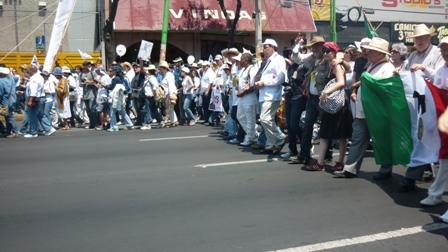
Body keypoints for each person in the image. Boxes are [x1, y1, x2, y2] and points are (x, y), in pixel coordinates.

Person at [334, 37, 395, 178]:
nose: (368, 53)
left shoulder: (388, 68)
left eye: (372, 51)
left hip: (377, 112)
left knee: (381, 141)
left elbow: (387, 89)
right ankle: (350, 169)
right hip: (363, 110)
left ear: (380, 53)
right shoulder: (372, 65)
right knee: (357, 139)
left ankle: (385, 170)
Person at [399, 24, 445, 191]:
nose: (419, 41)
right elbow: (405, 72)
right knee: (421, 136)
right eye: (417, 38)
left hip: (435, 102)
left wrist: (425, 68)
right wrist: (399, 71)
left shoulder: (436, 54)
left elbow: (440, 75)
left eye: (422, 38)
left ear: (429, 38)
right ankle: (425, 169)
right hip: (419, 103)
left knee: (423, 136)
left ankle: (412, 177)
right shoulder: (412, 56)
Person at [306, 42, 353, 171]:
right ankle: (320, 161)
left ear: (334, 52)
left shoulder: (336, 65)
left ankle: (339, 162)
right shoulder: (327, 63)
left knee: (342, 135)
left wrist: (326, 91)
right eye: (324, 50)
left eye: (328, 51)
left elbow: (341, 82)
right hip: (331, 103)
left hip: (339, 103)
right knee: (325, 133)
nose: (325, 53)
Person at [419, 37, 448, 221]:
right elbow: (436, 93)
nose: (445, 54)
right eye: (443, 50)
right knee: (445, 159)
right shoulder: (440, 70)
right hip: (444, 121)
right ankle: (436, 193)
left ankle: (435, 192)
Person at [254, 38, 287, 154]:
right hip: (264, 94)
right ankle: (271, 144)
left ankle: (279, 137)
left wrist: (265, 82)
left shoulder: (278, 59)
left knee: (265, 119)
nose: (264, 49)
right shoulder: (268, 61)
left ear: (273, 47)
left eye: (266, 47)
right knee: (265, 121)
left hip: (272, 95)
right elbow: (268, 77)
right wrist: (260, 81)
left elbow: (281, 78)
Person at [24, 65, 56, 137]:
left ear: (31, 70)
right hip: (40, 98)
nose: (28, 71)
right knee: (40, 114)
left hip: (36, 98)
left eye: (29, 70)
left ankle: (33, 132)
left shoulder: (34, 78)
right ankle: (49, 128)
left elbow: (33, 90)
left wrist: (30, 100)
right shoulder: (39, 77)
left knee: (32, 115)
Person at [236, 52, 259, 146]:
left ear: (245, 60)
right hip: (241, 98)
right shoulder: (243, 70)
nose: (239, 61)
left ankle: (249, 138)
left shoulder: (252, 70)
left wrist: (243, 92)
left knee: (250, 120)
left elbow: (254, 86)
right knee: (240, 116)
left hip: (249, 98)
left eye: (241, 59)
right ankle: (253, 133)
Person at [108, 66, 134, 131]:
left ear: (116, 71)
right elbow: (128, 88)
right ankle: (129, 124)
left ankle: (114, 126)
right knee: (122, 111)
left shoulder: (116, 79)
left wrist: (105, 85)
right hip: (122, 97)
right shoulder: (124, 78)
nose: (112, 72)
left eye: (113, 70)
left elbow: (111, 87)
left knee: (112, 111)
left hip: (116, 97)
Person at [141, 64, 164, 130]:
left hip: (149, 96)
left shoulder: (152, 78)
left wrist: (152, 93)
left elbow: (155, 86)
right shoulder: (150, 77)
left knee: (147, 109)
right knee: (154, 109)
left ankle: (148, 123)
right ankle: (160, 121)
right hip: (149, 95)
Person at [0, 66, 19, 138]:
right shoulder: (11, 79)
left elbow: (0, 93)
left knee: (9, 117)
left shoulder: (1, 81)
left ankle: (15, 132)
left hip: (5, 101)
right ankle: (8, 132)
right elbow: (17, 78)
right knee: (8, 116)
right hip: (13, 100)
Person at [158, 61, 178, 127]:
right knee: (170, 108)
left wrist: (172, 94)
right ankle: (174, 120)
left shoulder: (169, 75)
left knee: (170, 107)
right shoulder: (165, 76)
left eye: (161, 69)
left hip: (170, 93)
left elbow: (171, 85)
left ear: (165, 69)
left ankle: (173, 121)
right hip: (167, 94)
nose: (160, 71)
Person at [79, 61, 98, 129]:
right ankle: (91, 123)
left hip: (92, 93)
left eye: (88, 65)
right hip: (85, 94)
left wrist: (89, 82)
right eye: (86, 65)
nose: (88, 66)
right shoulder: (81, 74)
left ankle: (96, 123)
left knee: (92, 108)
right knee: (88, 110)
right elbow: (80, 83)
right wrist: (83, 83)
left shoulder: (92, 73)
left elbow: (96, 81)